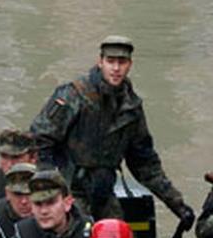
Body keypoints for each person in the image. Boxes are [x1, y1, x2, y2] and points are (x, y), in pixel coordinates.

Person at [29, 35, 193, 226]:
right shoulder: (75, 95)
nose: (116, 68)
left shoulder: (131, 107)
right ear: (100, 62)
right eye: (110, 61)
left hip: (104, 193)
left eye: (121, 62)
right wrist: (50, 191)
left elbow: (145, 163)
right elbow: (39, 141)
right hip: (70, 192)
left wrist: (177, 204)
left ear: (130, 64)